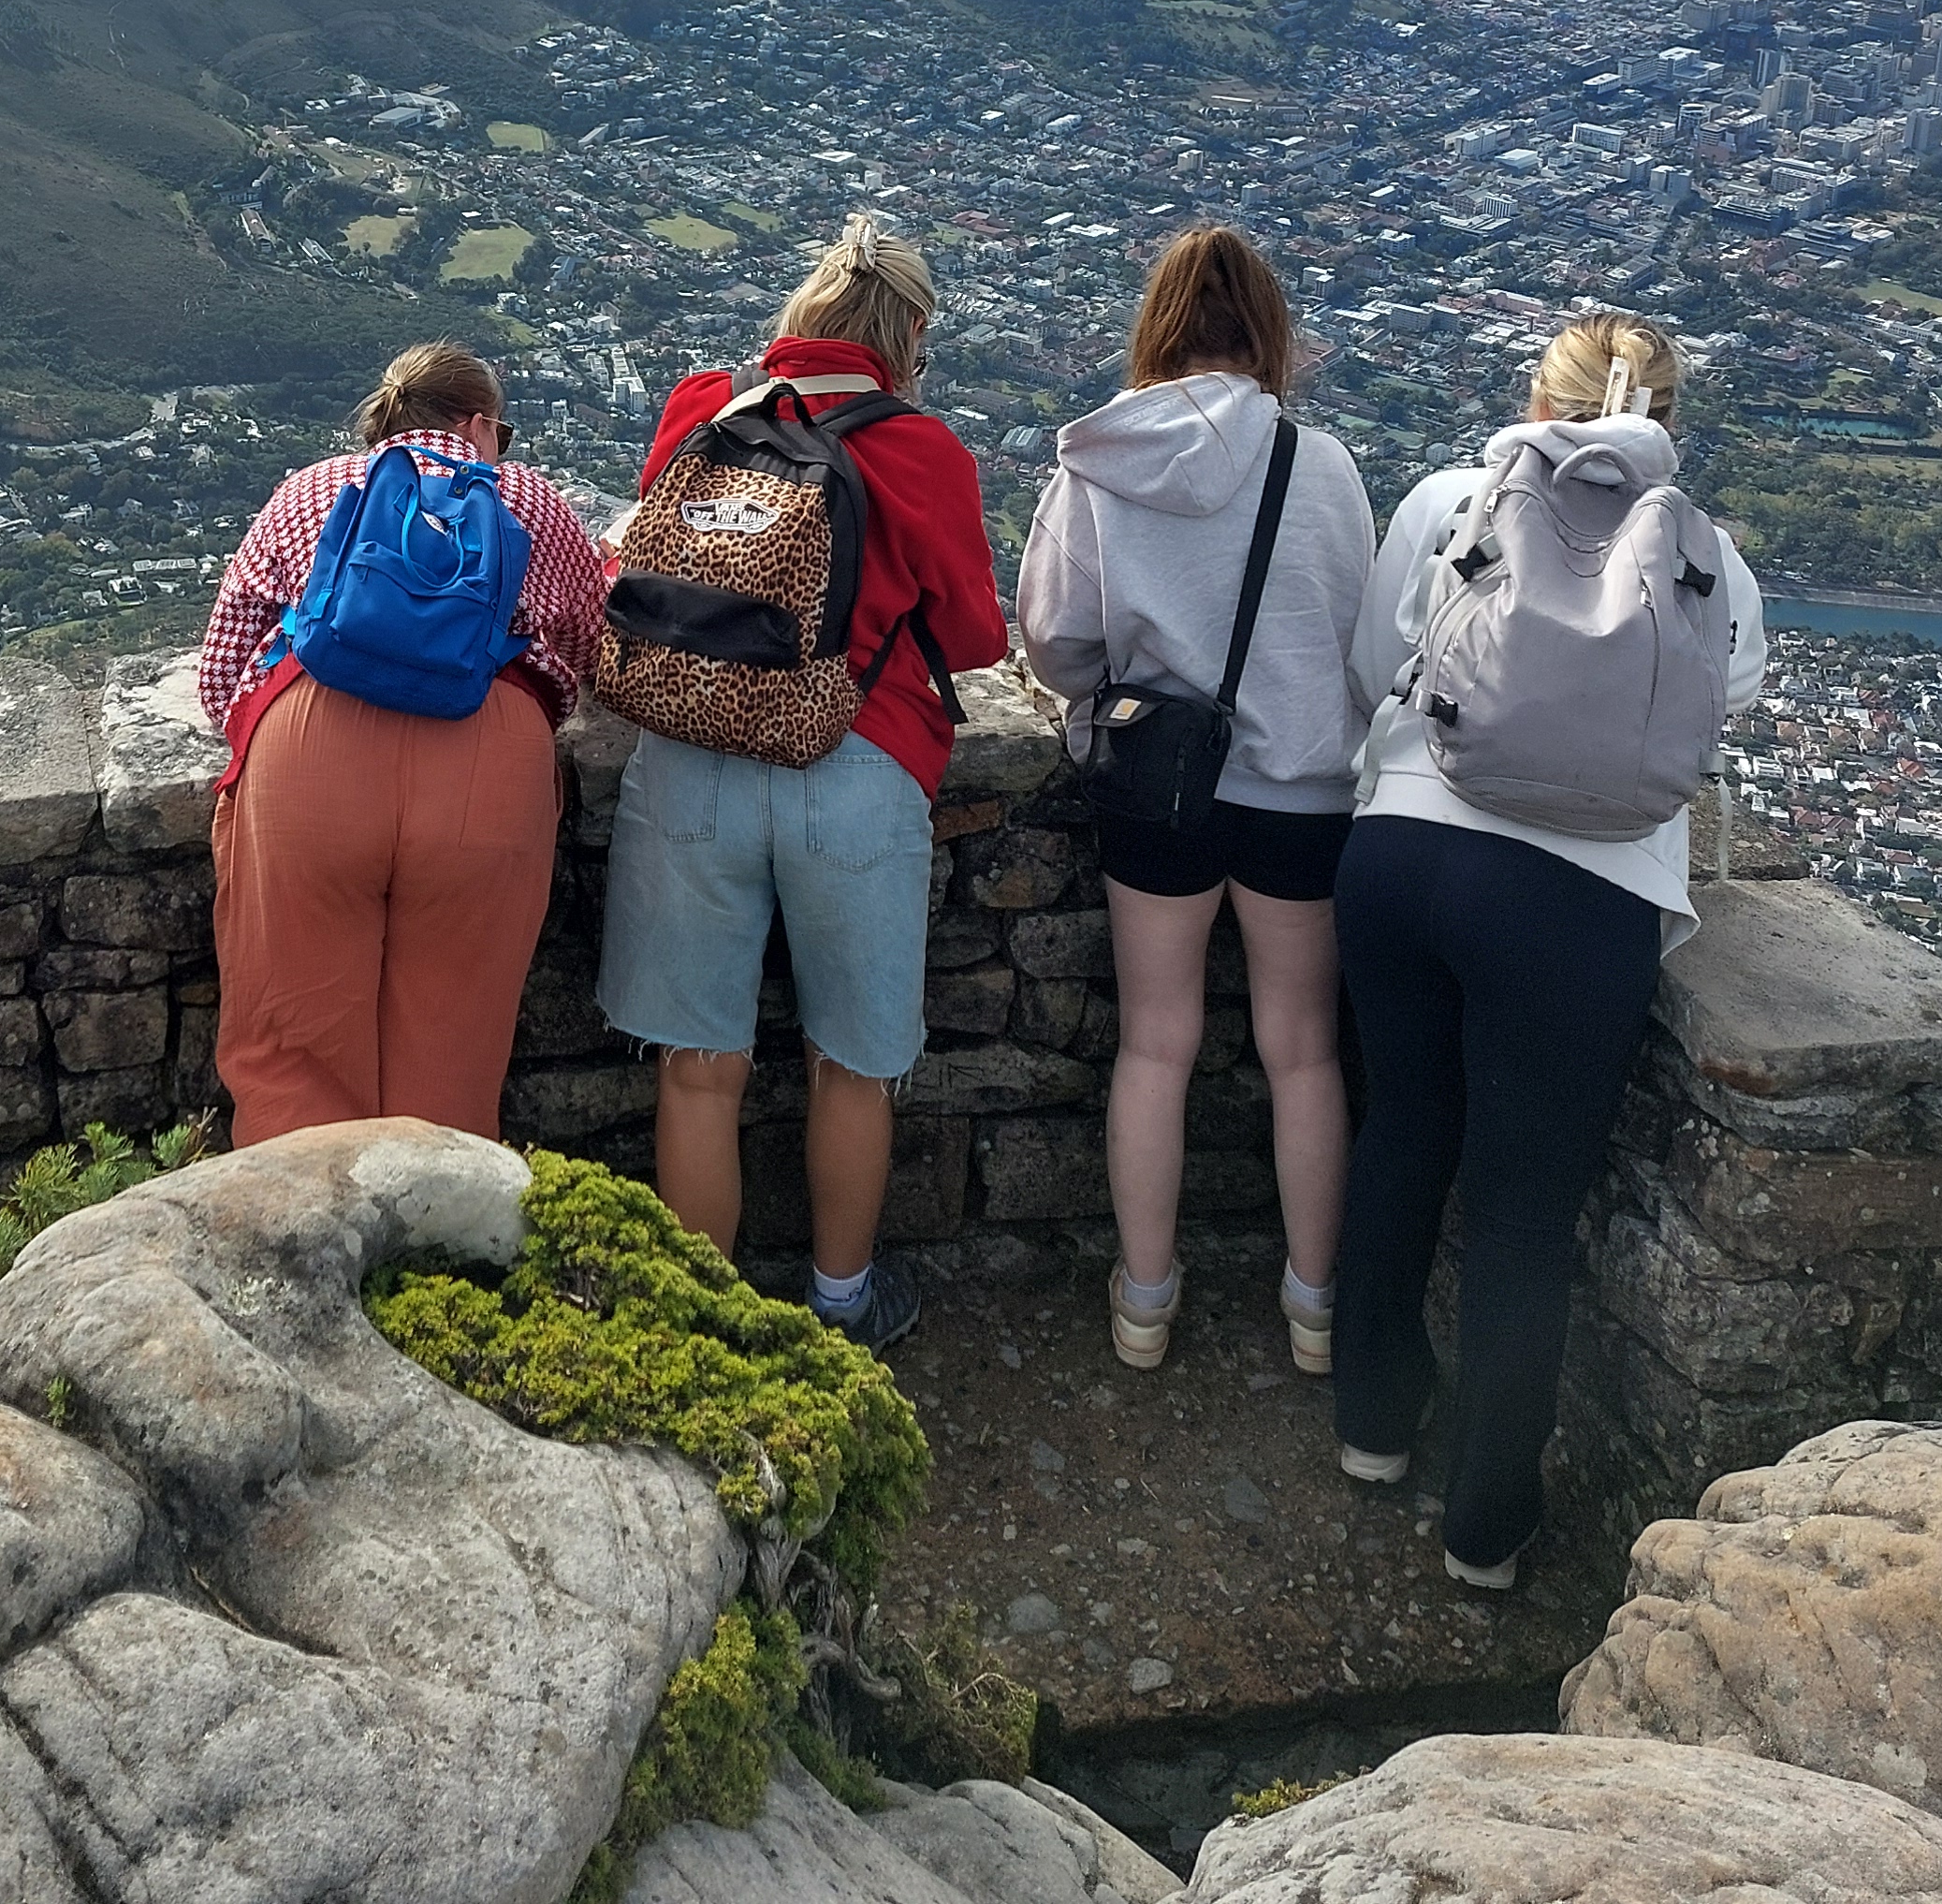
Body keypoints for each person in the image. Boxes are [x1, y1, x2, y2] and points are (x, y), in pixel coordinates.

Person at [1330, 310, 1766, 1594]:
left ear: (1537, 394)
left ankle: (1369, 1425)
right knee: (1524, 1215)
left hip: (1402, 858)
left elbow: (1375, 669)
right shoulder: (1708, 558)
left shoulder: (1444, 499)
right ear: (1666, 420)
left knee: (1403, 1134)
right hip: (1581, 901)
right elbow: (1714, 713)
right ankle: (1486, 1525)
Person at [597, 215, 1008, 1350]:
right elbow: (973, 639)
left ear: (800, 318)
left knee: (697, 1069)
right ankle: (841, 1308)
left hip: (687, 760)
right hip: (855, 771)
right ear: (907, 334)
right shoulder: (921, 449)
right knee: (850, 1066)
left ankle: (699, 1325)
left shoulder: (705, 412)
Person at [1017, 227, 1374, 1378]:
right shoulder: (1319, 465)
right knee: (1305, 1051)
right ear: (1267, 333)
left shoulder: (1100, 458)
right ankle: (1314, 1307)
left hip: (1157, 786)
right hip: (1301, 790)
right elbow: (1361, 642)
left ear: (1157, 326)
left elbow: (1055, 643)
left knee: (1155, 1045)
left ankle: (1145, 1302)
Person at [194, 342, 612, 1145]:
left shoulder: (308, 492)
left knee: (294, 1057)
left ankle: (299, 1253)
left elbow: (221, 677)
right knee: (452, 1059)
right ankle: (435, 1258)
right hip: (486, 764)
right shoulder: (533, 500)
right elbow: (593, 654)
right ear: (480, 423)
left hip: (312, 759)